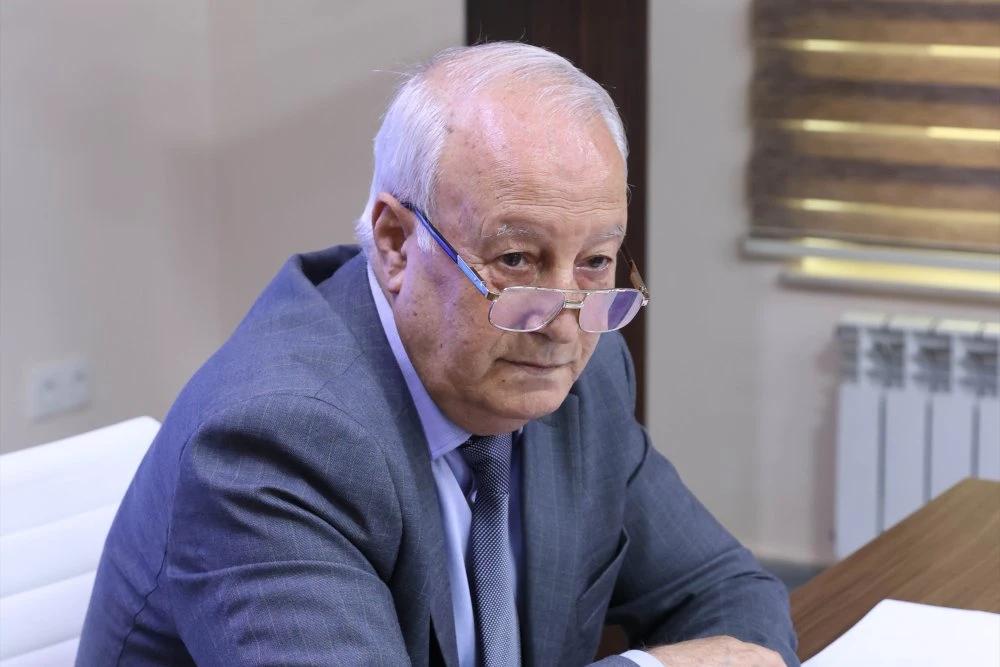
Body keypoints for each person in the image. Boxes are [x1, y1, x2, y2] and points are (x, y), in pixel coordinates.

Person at [78, 42, 798, 667]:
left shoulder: (584, 375)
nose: (563, 326)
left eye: (595, 262)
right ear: (395, 243)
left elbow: (730, 595)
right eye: (516, 259)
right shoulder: (271, 442)